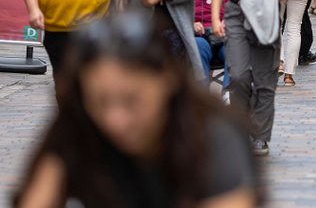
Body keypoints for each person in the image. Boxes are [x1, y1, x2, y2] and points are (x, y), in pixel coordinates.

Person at [14, 13, 261, 208]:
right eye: (100, 101)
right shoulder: (77, 127)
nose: (115, 120)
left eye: (131, 100)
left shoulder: (214, 135)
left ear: (169, 80)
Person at [211, 0, 293, 156]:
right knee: (238, 77)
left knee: (264, 80)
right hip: (236, 13)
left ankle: (260, 136)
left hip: (265, 15)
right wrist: (216, 17)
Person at [194, 0, 229, 85]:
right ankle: (201, 97)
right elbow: (180, 19)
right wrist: (191, 24)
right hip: (199, 40)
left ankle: (229, 94)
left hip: (223, 42)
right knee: (198, 44)